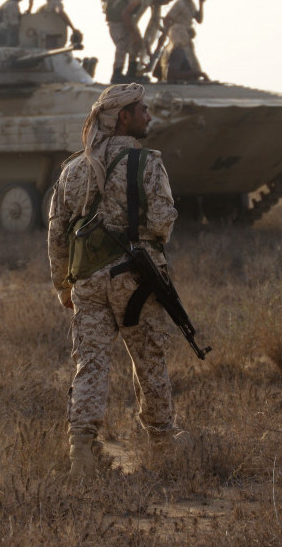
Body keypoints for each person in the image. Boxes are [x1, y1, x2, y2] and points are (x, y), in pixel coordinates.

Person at [47, 83, 186, 480]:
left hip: (87, 282)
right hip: (137, 282)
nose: (148, 115)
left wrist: (62, 285)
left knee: (90, 363)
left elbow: (57, 233)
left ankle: (82, 450)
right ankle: (161, 442)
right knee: (149, 359)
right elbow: (162, 220)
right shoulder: (147, 162)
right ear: (122, 117)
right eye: (142, 109)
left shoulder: (74, 168)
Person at [101, 0, 176, 83]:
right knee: (122, 44)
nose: (166, 3)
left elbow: (152, 24)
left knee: (136, 43)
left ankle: (132, 72)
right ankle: (117, 74)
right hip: (117, 17)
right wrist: (134, 34)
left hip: (127, 17)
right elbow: (125, 14)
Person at [157, 0, 208, 83]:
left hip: (186, 33)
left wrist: (201, 3)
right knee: (183, 51)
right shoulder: (180, 4)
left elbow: (199, 19)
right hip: (178, 32)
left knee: (190, 55)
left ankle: (191, 74)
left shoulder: (191, 4)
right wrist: (167, 33)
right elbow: (167, 19)